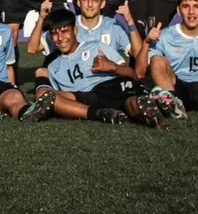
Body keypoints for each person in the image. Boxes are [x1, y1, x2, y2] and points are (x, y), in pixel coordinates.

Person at [34, 8, 164, 127]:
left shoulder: (96, 46)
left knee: (132, 102)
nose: (60, 38)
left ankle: (152, 108)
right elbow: (60, 95)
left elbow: (133, 75)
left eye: (64, 31)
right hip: (88, 97)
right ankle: (104, 113)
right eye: (54, 34)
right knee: (47, 96)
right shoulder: (52, 65)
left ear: (75, 31)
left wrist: (112, 67)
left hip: (113, 87)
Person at [28, 0, 142, 60]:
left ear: (102, 4)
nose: (90, 5)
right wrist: (42, 18)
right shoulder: (67, 24)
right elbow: (32, 48)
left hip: (106, 81)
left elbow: (138, 55)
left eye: (95, 0)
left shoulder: (113, 26)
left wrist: (130, 22)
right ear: (78, 2)